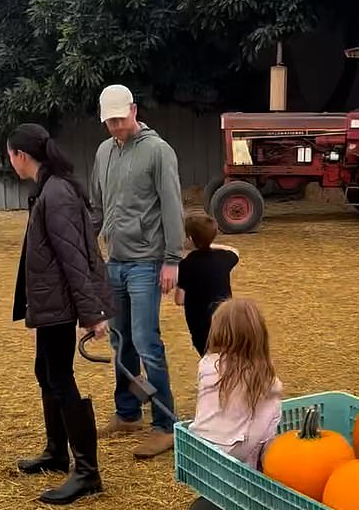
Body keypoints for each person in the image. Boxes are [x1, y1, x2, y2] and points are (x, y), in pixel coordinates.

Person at [9, 123, 114, 505]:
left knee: (60, 376)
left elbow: (76, 257)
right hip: (50, 302)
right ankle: (57, 452)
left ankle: (87, 472)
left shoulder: (57, 194)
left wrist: (92, 312)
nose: (11, 162)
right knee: (46, 372)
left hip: (61, 304)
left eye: (11, 155)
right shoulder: (49, 189)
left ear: (20, 155)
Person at [90, 84, 184, 459]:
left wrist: (173, 260)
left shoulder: (158, 151)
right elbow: (97, 205)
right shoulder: (103, 153)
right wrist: (87, 246)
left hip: (147, 262)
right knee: (120, 341)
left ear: (133, 110)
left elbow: (172, 206)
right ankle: (128, 413)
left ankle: (166, 424)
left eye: (119, 118)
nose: (114, 126)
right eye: (108, 120)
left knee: (147, 341)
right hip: (115, 261)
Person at [189, 297, 283, 467]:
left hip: (198, 447)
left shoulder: (207, 364)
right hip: (235, 457)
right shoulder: (266, 380)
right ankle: (259, 467)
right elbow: (257, 432)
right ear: (259, 336)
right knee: (273, 404)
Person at [175, 213, 240, 356]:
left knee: (209, 358)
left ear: (190, 239)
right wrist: (210, 244)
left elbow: (179, 300)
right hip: (225, 320)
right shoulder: (224, 258)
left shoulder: (185, 265)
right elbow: (234, 251)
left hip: (200, 325)